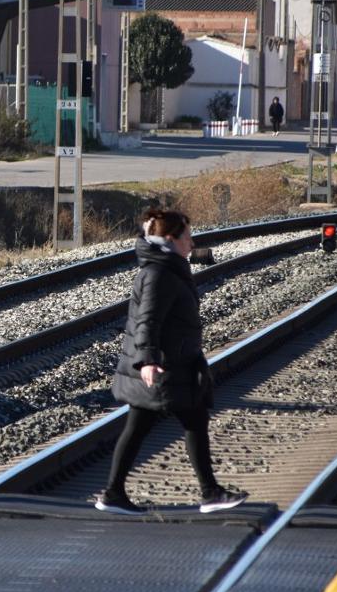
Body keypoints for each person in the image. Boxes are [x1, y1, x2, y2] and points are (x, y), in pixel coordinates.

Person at [96, 208, 248, 515]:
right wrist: (147, 361)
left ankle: (114, 494)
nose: (192, 243)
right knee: (188, 422)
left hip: (173, 364)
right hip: (164, 368)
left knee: (154, 425)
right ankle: (209, 493)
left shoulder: (167, 266)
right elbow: (147, 321)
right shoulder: (159, 273)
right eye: (188, 237)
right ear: (171, 239)